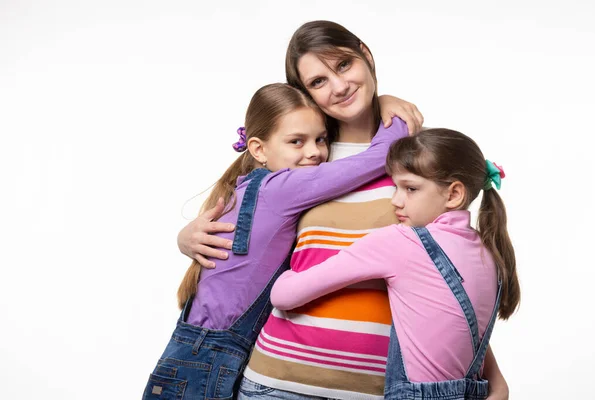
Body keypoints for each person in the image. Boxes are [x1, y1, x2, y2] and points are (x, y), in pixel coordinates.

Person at [178, 21, 509, 400]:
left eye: (344, 65)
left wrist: (488, 374)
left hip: (377, 390)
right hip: (275, 382)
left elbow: (449, 278)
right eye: (318, 82)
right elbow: (247, 241)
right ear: (306, 95)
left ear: (366, 56)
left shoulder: (418, 161)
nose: (338, 86)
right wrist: (186, 238)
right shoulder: (304, 159)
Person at [141, 82, 409, 399]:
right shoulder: (281, 188)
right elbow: (371, 161)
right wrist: (392, 113)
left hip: (198, 351)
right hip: (209, 358)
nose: (314, 152)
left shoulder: (252, 185)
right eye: (297, 141)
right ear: (259, 149)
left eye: (321, 139)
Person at [270, 128, 521, 399]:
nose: (395, 200)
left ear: (453, 195)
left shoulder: (402, 242)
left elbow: (284, 296)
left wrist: (283, 268)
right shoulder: (487, 249)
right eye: (396, 187)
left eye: (410, 188)